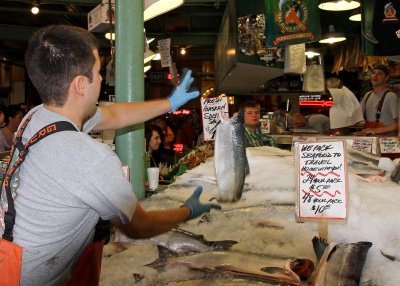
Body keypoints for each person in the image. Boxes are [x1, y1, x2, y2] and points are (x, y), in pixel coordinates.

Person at [0, 25, 221, 286]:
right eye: (98, 72)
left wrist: (170, 103)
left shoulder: (37, 116)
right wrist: (186, 211)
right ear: (81, 84)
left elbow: (115, 115)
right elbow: (138, 226)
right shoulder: (88, 157)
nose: (102, 79)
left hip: (10, 255)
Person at [354, 64, 399, 136]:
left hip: (387, 143)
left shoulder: (391, 97)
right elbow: (357, 119)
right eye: (373, 73)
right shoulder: (367, 95)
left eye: (379, 74)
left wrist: (375, 130)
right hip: (370, 142)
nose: (375, 76)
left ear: (386, 78)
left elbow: (398, 124)